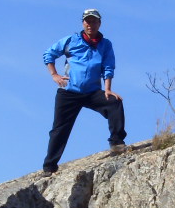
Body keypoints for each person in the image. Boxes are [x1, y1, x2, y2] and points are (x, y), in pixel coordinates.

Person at [41, 9, 127, 175]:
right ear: (83, 23)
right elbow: (49, 54)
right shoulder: (71, 40)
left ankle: (116, 143)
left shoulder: (105, 44)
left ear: (99, 24)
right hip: (69, 92)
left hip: (92, 91)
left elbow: (108, 66)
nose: (90, 24)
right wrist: (54, 75)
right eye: (87, 21)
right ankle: (49, 166)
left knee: (114, 103)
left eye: (94, 21)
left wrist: (108, 89)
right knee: (59, 129)